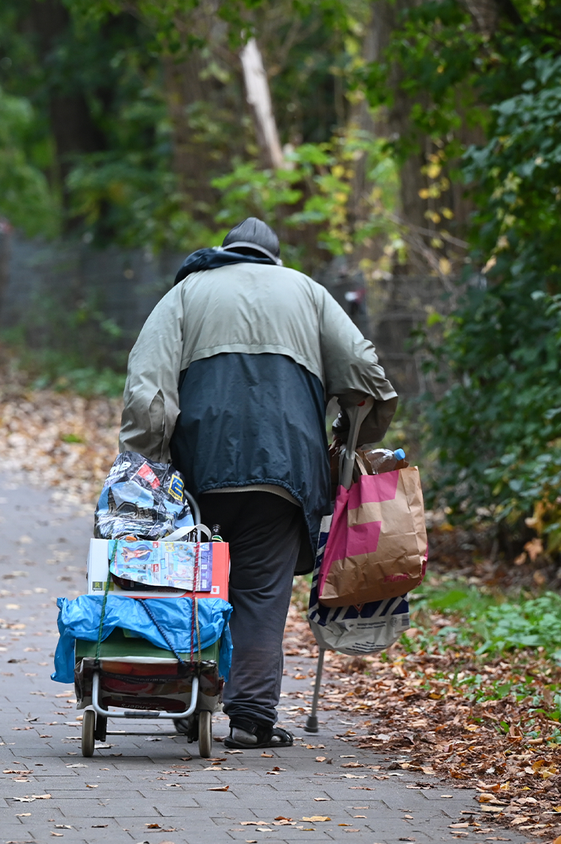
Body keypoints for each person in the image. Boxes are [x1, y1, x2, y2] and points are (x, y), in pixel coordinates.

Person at [119, 217, 396, 749]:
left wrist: (149, 463)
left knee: (197, 583)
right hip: (286, 470)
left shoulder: (186, 293)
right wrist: (351, 437)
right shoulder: (308, 292)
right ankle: (250, 719)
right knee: (261, 594)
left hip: (200, 468)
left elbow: (147, 392)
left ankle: (190, 699)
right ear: (273, 256)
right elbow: (368, 376)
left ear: (224, 250)